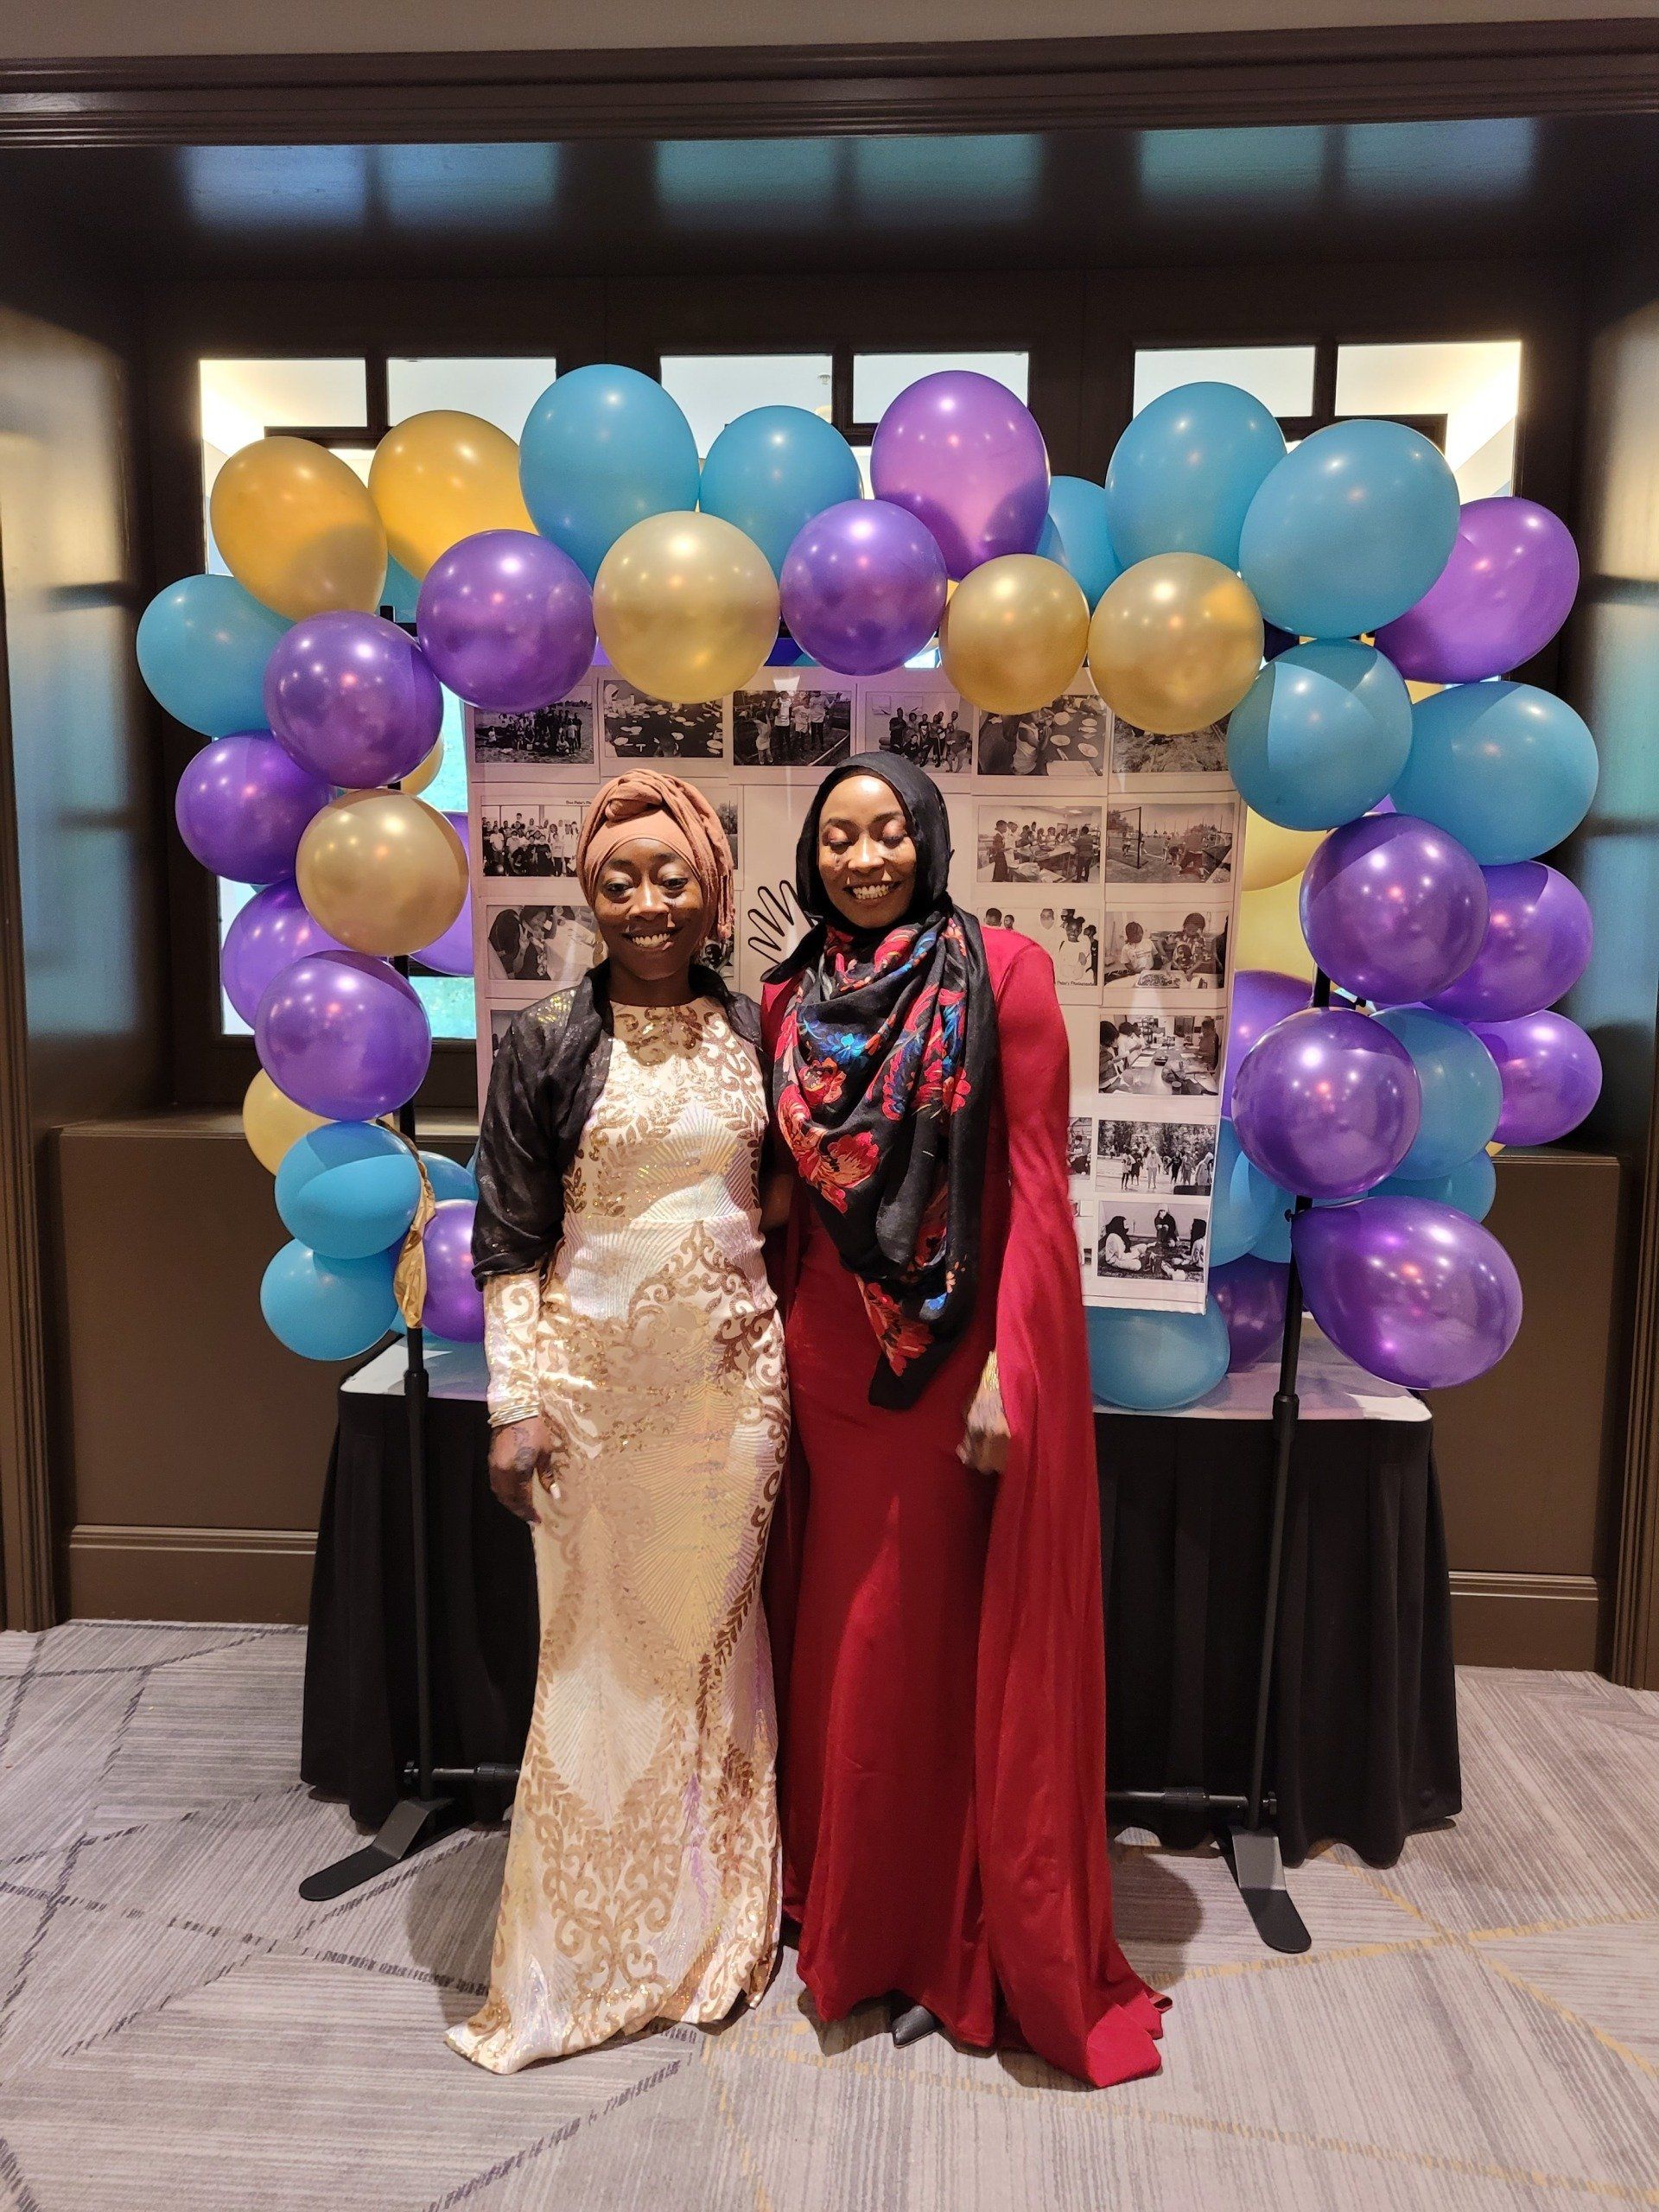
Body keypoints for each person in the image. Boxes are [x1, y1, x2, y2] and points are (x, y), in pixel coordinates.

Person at [761, 756, 1166, 2088]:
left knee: (939, 1646)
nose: (863, 857)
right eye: (838, 837)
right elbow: (773, 1197)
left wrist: (1014, 1369)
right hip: (826, 1363)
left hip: (954, 1364)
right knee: (839, 1639)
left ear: (928, 839)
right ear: (812, 855)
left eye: (886, 832)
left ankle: (952, 1932)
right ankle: (851, 1914)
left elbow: (1036, 1186)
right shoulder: (784, 997)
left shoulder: (1005, 975)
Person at [454, 769, 788, 2073]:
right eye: (617, 882)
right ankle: (595, 1954)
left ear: (712, 884)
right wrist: (517, 1403)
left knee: (716, 1654)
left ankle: (717, 1927)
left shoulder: (760, 1027)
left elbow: (780, 1203)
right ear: (588, 898)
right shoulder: (544, 1039)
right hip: (592, 1410)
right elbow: (508, 1247)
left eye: (671, 876)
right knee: (597, 1662)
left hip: (733, 1399)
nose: (646, 903)